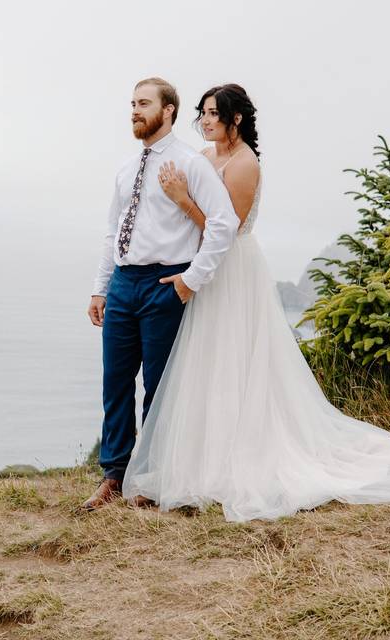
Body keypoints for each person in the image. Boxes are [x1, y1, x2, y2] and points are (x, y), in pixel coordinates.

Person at [120, 84, 390, 521]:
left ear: (236, 118)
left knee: (237, 358)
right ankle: (202, 458)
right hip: (204, 267)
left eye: (214, 114)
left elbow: (229, 229)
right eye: (202, 113)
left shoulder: (243, 164)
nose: (205, 121)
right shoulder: (203, 159)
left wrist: (183, 200)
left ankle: (245, 456)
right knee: (207, 361)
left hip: (233, 267)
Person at [81, 77, 240, 512]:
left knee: (159, 388)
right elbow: (113, 232)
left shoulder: (192, 164)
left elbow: (223, 224)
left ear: (168, 110)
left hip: (165, 284)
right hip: (124, 285)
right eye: (132, 103)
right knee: (115, 383)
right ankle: (113, 476)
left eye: (143, 103)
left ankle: (151, 480)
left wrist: (192, 279)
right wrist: (101, 287)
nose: (134, 110)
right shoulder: (125, 169)